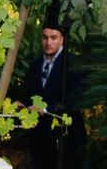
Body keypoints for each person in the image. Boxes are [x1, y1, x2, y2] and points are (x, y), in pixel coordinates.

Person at [24, 18, 86, 169]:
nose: (48, 42)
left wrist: (46, 110)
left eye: (53, 38)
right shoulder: (35, 65)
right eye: (45, 37)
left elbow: (76, 99)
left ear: (62, 39)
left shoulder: (73, 64)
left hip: (66, 136)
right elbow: (29, 94)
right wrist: (23, 105)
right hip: (39, 136)